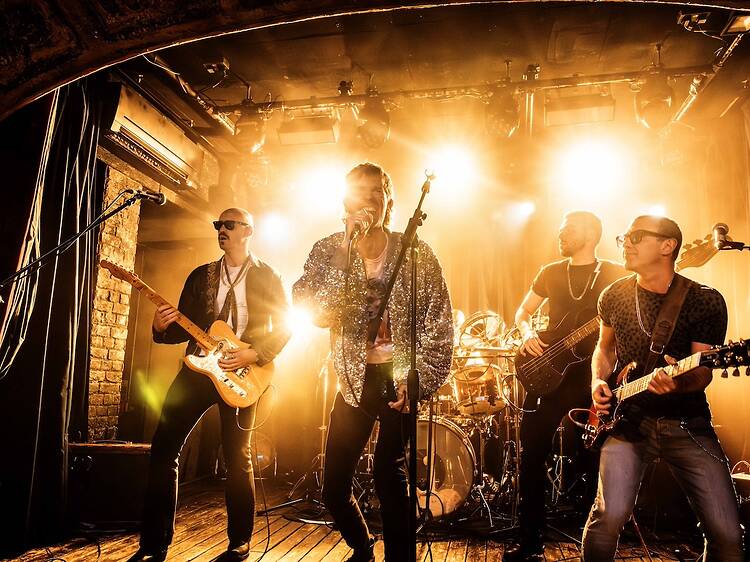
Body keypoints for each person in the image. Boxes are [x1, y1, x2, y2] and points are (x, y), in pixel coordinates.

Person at [292, 162, 453, 561]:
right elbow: (314, 310)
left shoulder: (415, 252)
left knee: (389, 477)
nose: (366, 199)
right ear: (343, 201)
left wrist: (416, 379)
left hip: (397, 375)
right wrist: (344, 253)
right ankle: (363, 547)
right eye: (357, 192)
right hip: (353, 378)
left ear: (388, 202)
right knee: (334, 486)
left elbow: (439, 321)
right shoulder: (328, 249)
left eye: (375, 192)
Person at [128, 208, 291, 562]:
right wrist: (159, 327)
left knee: (237, 457)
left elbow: (285, 327)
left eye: (229, 225)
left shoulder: (268, 276)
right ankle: (153, 545)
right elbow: (180, 330)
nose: (221, 229)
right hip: (198, 369)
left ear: (248, 231)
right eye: (218, 225)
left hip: (242, 371)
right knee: (164, 449)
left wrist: (253, 354)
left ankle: (239, 543)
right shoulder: (201, 276)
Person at [582, 215, 744, 561]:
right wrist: (598, 380)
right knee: (607, 517)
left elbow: (703, 371)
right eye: (624, 236)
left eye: (637, 236)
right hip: (627, 423)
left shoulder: (704, 300)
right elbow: (604, 349)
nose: (626, 243)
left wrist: (677, 383)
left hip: (686, 422)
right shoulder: (613, 295)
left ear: (668, 246)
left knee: (728, 535)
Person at [505, 211, 626, 561]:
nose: (560, 233)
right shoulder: (551, 272)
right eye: (560, 228)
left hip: (591, 378)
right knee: (531, 456)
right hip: (547, 373)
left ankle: (593, 545)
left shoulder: (615, 274)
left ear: (591, 233)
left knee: (593, 458)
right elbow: (523, 312)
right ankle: (530, 542)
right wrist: (527, 333)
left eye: (568, 229)